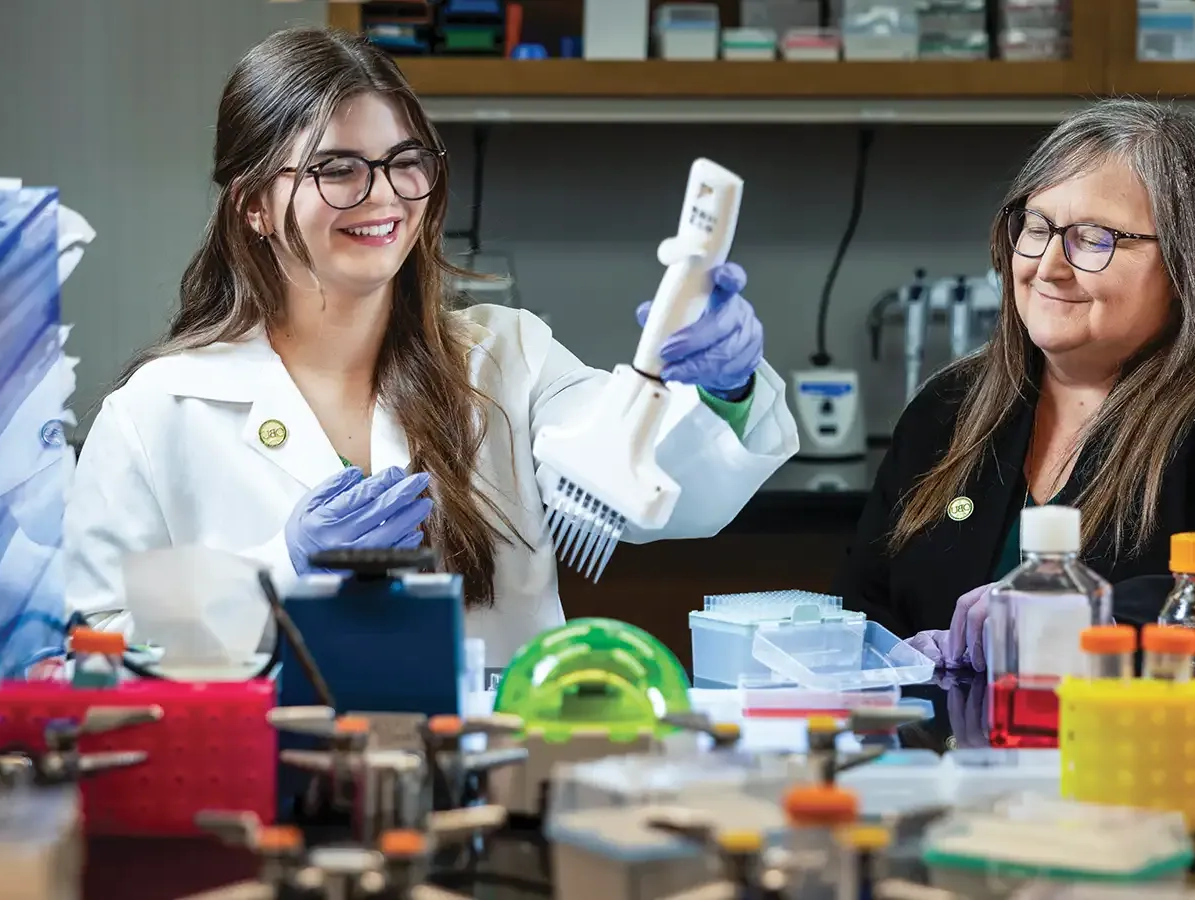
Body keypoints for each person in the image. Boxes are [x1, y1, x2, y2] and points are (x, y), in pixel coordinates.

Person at [65, 26, 798, 663]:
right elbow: (95, 649)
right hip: (271, 793)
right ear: (254, 203)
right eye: (337, 168)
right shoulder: (156, 413)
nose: (384, 196)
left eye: (404, 161)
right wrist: (280, 572)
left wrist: (724, 389)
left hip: (495, 784)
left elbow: (644, 491)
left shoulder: (508, 358)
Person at [833, 99, 1195, 673]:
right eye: (1036, 228)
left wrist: (1098, 617)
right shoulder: (949, 409)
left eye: (1094, 238)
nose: (1048, 266)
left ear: (1186, 263)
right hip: (946, 764)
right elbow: (863, 618)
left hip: (1166, 756)